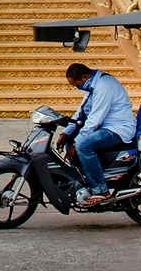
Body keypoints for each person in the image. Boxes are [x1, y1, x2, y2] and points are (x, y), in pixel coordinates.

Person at [54, 62, 136, 208]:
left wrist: (76, 143)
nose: (77, 88)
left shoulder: (104, 86)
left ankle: (101, 190)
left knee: (83, 145)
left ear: (85, 77)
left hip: (118, 129)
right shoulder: (93, 87)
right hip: (105, 127)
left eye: (77, 85)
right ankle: (86, 180)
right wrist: (65, 133)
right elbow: (81, 113)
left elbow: (94, 120)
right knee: (72, 140)